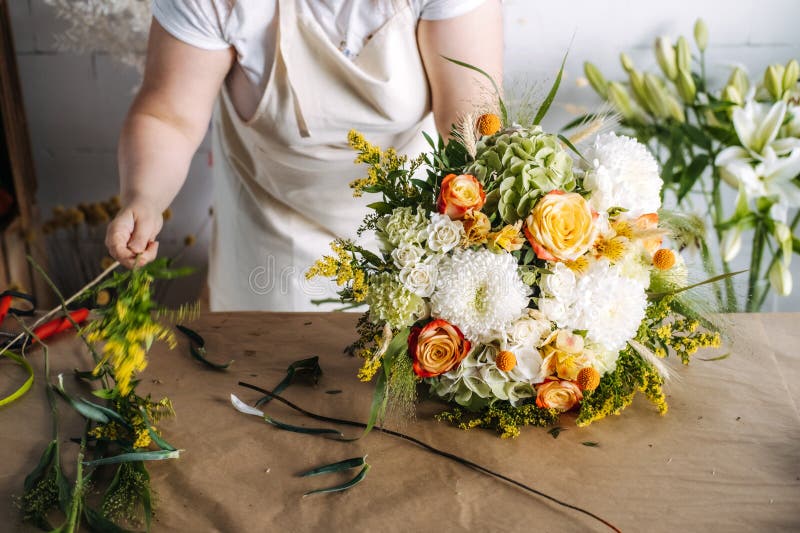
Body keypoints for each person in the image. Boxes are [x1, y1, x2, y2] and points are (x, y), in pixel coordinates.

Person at [105, 0, 503, 311]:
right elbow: (168, 117)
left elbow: (469, 122)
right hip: (270, 248)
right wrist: (145, 197)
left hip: (408, 242)